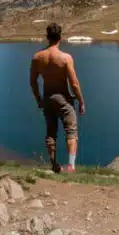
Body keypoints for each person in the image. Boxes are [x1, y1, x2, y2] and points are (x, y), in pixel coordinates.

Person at [29, 23, 86, 173]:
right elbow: (74, 83)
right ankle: (71, 166)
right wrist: (81, 101)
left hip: (47, 98)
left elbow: (33, 82)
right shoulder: (65, 58)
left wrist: (38, 99)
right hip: (63, 99)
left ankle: (54, 165)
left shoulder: (37, 57)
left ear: (47, 37)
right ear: (60, 37)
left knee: (51, 133)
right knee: (71, 131)